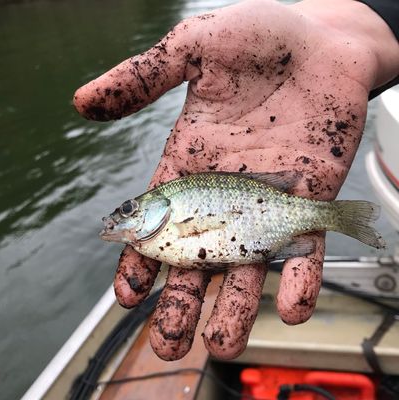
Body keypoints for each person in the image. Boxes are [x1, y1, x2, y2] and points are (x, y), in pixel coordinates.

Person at [73, 0, 399, 361]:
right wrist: (363, 25)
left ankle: (336, 216)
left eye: (130, 209)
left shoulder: (166, 217)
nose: (123, 217)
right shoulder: (156, 232)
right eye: (127, 211)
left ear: (157, 208)